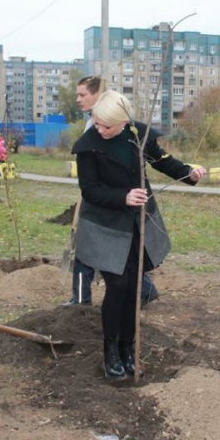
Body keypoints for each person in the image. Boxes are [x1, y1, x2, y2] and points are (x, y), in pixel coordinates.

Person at [71, 90, 206, 381]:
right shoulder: (87, 147)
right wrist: (123, 197)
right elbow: (89, 190)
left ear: (122, 122)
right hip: (105, 224)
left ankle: (128, 349)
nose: (99, 130)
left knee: (134, 288)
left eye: (106, 126)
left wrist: (188, 173)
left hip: (136, 224)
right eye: (96, 123)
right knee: (117, 286)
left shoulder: (137, 135)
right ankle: (110, 353)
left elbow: (161, 160)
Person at [64, 76, 160, 308]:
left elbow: (158, 159)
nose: (78, 100)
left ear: (98, 96)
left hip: (113, 206)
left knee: (99, 251)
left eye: (83, 95)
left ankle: (84, 300)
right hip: (97, 200)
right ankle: (82, 298)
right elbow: (89, 182)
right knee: (95, 250)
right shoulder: (93, 127)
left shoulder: (122, 128)